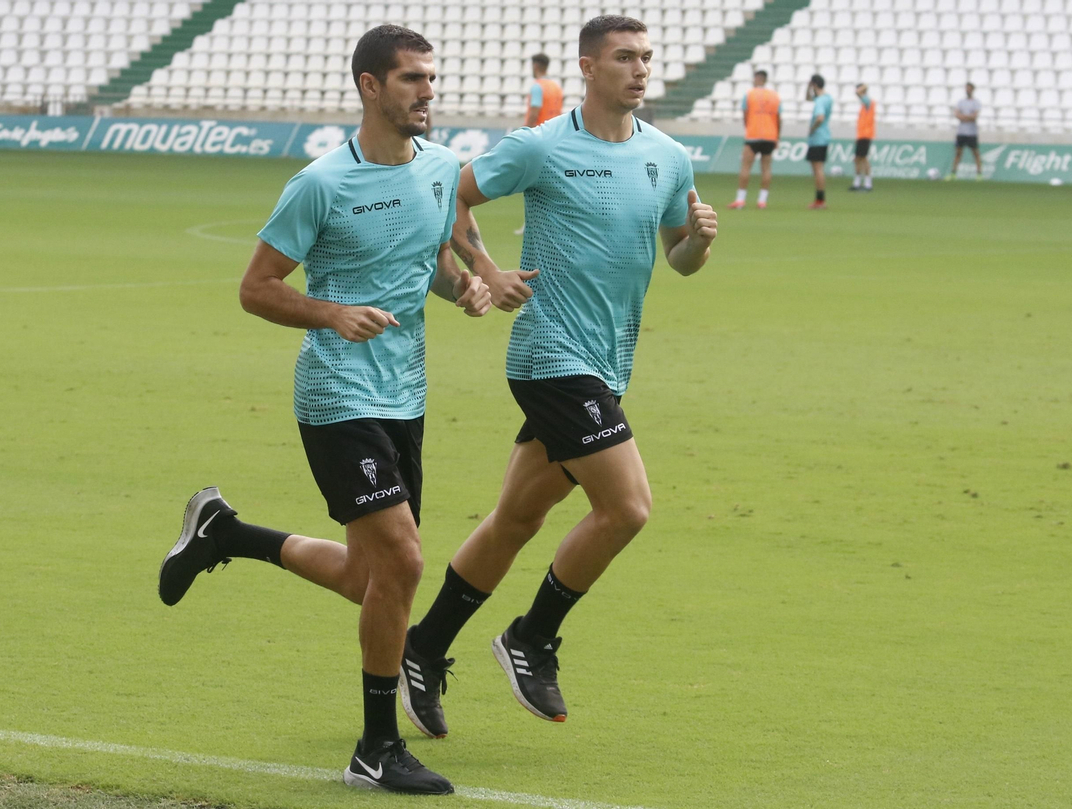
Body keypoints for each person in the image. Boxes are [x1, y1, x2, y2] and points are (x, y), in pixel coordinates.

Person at [155, 25, 490, 795]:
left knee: (369, 579)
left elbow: (432, 259)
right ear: (371, 87)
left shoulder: (442, 170)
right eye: (412, 79)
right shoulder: (321, 184)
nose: (427, 92)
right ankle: (377, 746)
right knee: (404, 561)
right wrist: (331, 313)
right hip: (337, 396)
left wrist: (465, 287)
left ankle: (224, 532)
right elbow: (257, 287)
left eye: (431, 79)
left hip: (406, 395)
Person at [399, 15, 719, 739]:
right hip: (550, 357)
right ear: (587, 67)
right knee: (628, 507)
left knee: (517, 517)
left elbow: (679, 259)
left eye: (646, 57)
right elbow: (448, 193)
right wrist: (486, 269)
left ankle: (422, 646)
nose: (640, 70)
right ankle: (531, 637)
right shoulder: (541, 146)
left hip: (606, 364)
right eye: (624, 58)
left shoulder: (667, 157)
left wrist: (698, 242)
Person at [514, 54, 565, 234]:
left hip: (539, 138)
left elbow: (535, 112)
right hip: (556, 139)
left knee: (532, 182)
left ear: (535, 65)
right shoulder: (556, 87)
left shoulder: (537, 87)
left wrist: (524, 134)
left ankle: (532, 223)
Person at [729, 69, 780, 209]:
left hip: (753, 135)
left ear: (757, 78)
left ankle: (740, 200)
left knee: (746, 166)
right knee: (766, 168)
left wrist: (749, 127)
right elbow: (778, 118)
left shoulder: (750, 94)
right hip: (770, 135)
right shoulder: (775, 96)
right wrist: (777, 136)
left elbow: (745, 115)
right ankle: (762, 201)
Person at [804, 73, 832, 209]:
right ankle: (820, 199)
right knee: (818, 169)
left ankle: (820, 200)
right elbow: (808, 98)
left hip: (818, 137)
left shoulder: (820, 101)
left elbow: (820, 118)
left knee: (817, 169)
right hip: (824, 137)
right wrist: (809, 88)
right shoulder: (826, 98)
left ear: (814, 84)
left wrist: (812, 129)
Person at [948, 82, 982, 181]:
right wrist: (968, 116)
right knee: (958, 153)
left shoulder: (976, 102)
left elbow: (974, 116)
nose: (967, 90)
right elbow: (957, 114)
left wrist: (963, 116)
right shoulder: (961, 102)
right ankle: (953, 173)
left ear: (972, 90)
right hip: (961, 132)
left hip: (972, 132)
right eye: (966, 88)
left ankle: (979, 174)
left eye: (969, 88)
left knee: (975, 153)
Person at [851, 83, 875, 192]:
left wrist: (861, 88)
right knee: (858, 158)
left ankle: (867, 183)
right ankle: (858, 182)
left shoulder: (868, 102)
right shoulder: (864, 105)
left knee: (863, 158)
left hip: (866, 135)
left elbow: (858, 93)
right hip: (861, 135)